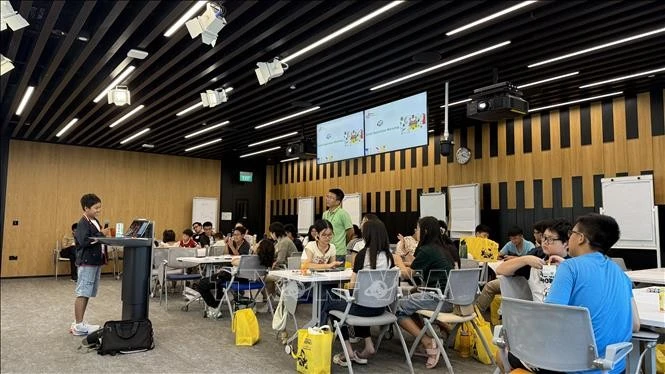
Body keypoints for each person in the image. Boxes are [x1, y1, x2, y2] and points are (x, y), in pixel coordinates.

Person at [543, 213, 638, 374]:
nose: (569, 239)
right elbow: (635, 325)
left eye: (571, 233)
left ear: (580, 238)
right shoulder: (621, 274)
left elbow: (551, 318)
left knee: (505, 354)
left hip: (574, 367)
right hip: (614, 368)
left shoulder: (570, 267)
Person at [320, 219, 396, 367]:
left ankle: (347, 350)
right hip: (382, 308)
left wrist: (344, 292)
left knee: (330, 302)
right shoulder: (389, 256)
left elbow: (353, 286)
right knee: (361, 301)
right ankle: (368, 345)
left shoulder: (362, 255)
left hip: (363, 309)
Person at [396, 217, 455, 369]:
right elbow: (418, 264)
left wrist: (398, 260)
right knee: (411, 302)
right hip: (453, 298)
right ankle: (442, 330)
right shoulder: (442, 248)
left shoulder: (427, 249)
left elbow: (406, 274)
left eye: (418, 228)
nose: (416, 232)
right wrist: (405, 261)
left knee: (396, 307)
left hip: (438, 298)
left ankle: (427, 341)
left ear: (426, 231)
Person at [495, 219, 572, 302]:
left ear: (566, 243)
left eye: (550, 239)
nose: (545, 242)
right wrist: (525, 259)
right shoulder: (535, 261)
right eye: (544, 237)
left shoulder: (574, 264)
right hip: (537, 312)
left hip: (564, 313)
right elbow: (500, 270)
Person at [196, 239, 276, 309]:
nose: (255, 244)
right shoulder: (264, 261)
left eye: (258, 244)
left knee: (201, 284)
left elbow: (233, 262)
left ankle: (213, 306)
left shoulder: (250, 259)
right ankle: (217, 304)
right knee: (219, 283)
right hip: (247, 281)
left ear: (260, 249)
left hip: (232, 278)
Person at [71, 193, 110, 336]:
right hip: (87, 263)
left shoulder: (94, 221)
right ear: (86, 208)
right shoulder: (83, 222)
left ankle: (79, 323)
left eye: (99, 207)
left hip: (94, 262)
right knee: (82, 292)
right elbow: (83, 241)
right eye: (96, 208)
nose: (98, 210)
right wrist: (101, 234)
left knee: (87, 293)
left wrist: (101, 234)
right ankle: (78, 324)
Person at [323, 188, 354, 262]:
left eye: (331, 198)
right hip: (326, 251)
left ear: (338, 202)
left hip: (339, 252)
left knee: (337, 273)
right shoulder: (325, 214)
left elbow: (350, 231)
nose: (327, 199)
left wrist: (344, 243)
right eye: (327, 196)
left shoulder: (343, 214)